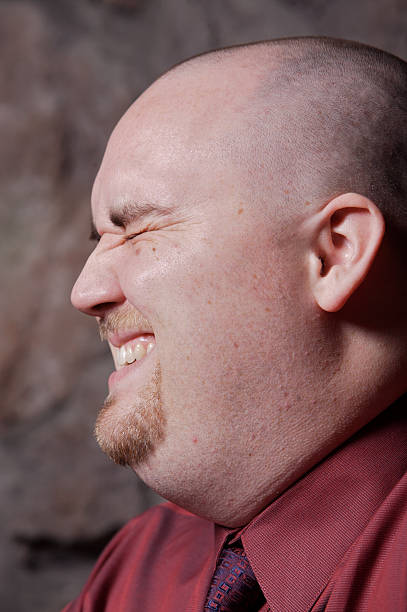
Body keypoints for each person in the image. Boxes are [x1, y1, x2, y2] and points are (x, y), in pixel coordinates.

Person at [66, 36, 407, 611]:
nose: (86, 292)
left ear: (335, 253)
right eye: (99, 240)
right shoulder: (137, 571)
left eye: (140, 229)